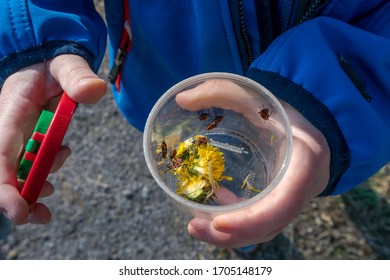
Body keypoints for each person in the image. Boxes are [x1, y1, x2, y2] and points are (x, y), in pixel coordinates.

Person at [0, 0, 389, 248]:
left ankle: (253, 234)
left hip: (325, 93)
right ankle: (248, 238)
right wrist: (33, 33)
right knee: (236, 210)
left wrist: (327, 104)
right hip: (161, 71)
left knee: (263, 195)